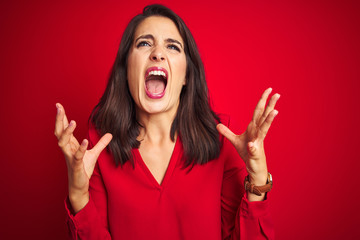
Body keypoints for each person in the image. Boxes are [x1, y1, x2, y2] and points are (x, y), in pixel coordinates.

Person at [54, 4, 280, 240]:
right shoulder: (100, 146)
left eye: (172, 46)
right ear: (127, 68)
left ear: (186, 76)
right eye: (144, 43)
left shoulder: (220, 140)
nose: (158, 53)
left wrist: (258, 179)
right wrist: (78, 194)